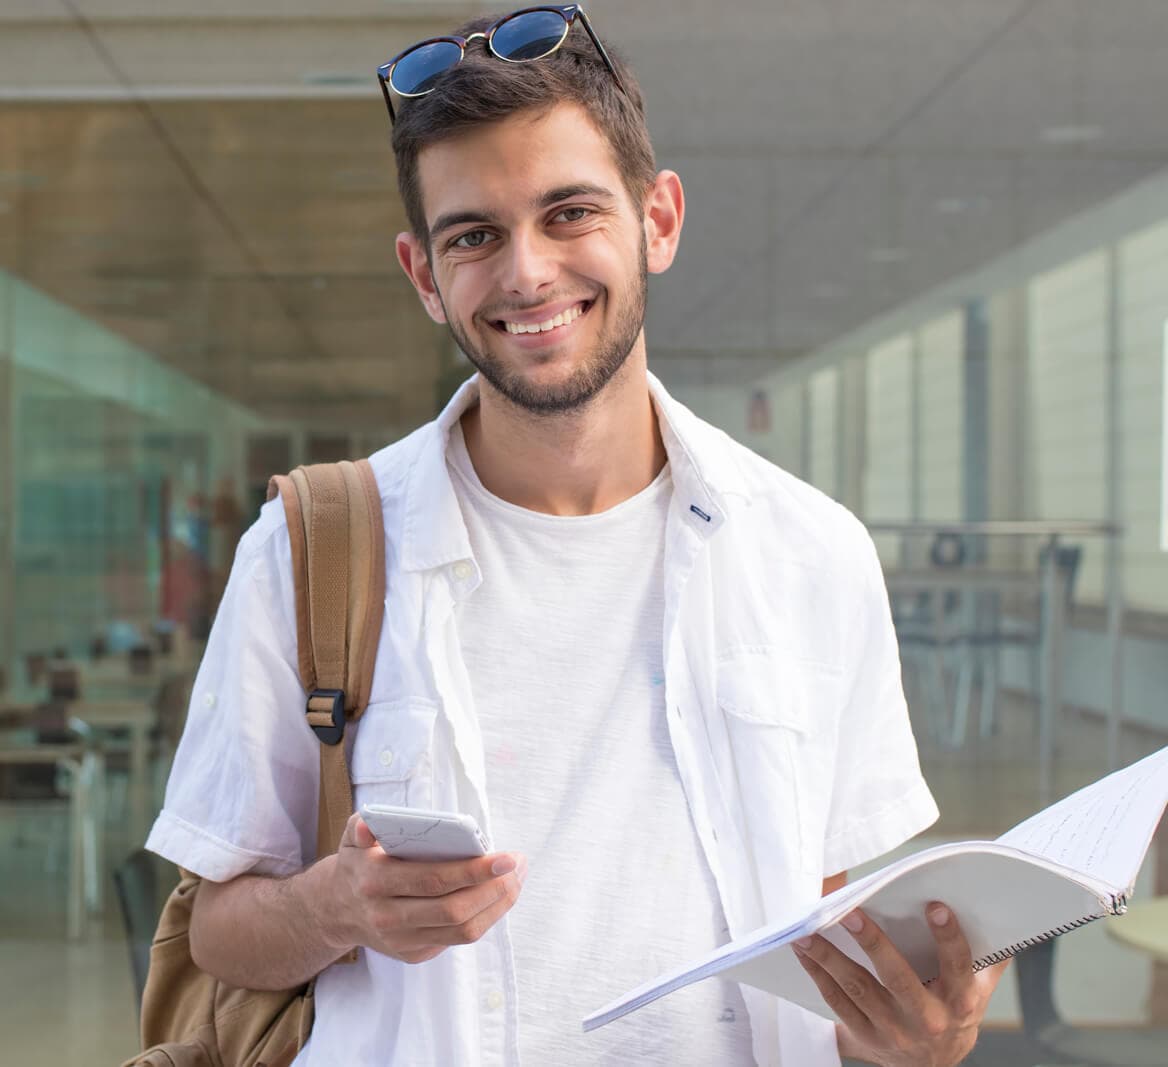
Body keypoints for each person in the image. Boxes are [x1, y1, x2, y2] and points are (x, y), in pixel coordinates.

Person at [148, 8, 1005, 1065]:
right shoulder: (308, 549)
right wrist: (342, 905)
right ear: (424, 276)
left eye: (568, 213)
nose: (526, 273)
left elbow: (828, 937)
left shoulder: (809, 553)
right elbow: (220, 929)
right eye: (474, 235)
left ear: (658, 219)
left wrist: (914, 1040)